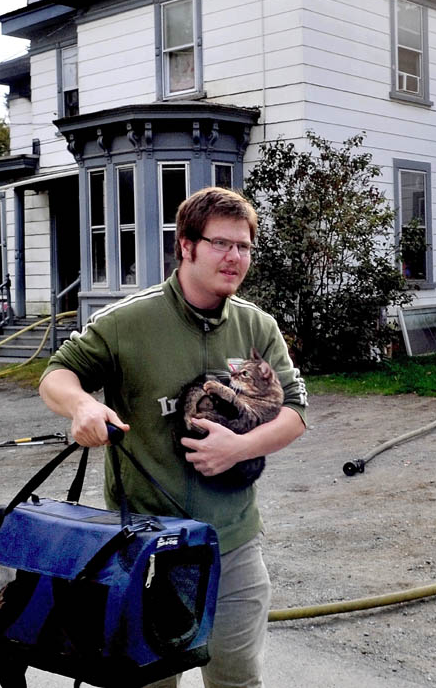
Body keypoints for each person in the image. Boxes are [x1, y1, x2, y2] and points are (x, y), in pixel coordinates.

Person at [39, 187, 308, 688]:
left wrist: (241, 447)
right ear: (185, 245)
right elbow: (57, 374)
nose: (235, 258)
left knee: (237, 680)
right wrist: (82, 405)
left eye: (245, 247)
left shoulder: (257, 327)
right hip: (147, 554)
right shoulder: (127, 324)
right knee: (147, 682)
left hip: (232, 547)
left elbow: (295, 410)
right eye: (221, 244)